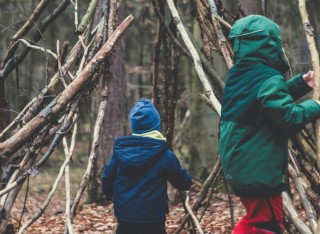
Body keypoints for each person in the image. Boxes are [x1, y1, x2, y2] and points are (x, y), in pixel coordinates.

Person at [219, 15, 320, 234]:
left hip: (241, 167)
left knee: (258, 220)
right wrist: (315, 106)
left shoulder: (240, 75)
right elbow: (288, 118)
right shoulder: (267, 78)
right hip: (257, 170)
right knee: (268, 224)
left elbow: (266, 102)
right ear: (268, 44)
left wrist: (301, 84)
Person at [102, 98, 192, 234]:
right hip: (153, 217)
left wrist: (109, 194)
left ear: (134, 126)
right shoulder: (164, 154)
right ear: (156, 125)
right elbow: (182, 181)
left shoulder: (120, 152)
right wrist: (186, 181)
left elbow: (107, 177)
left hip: (125, 214)